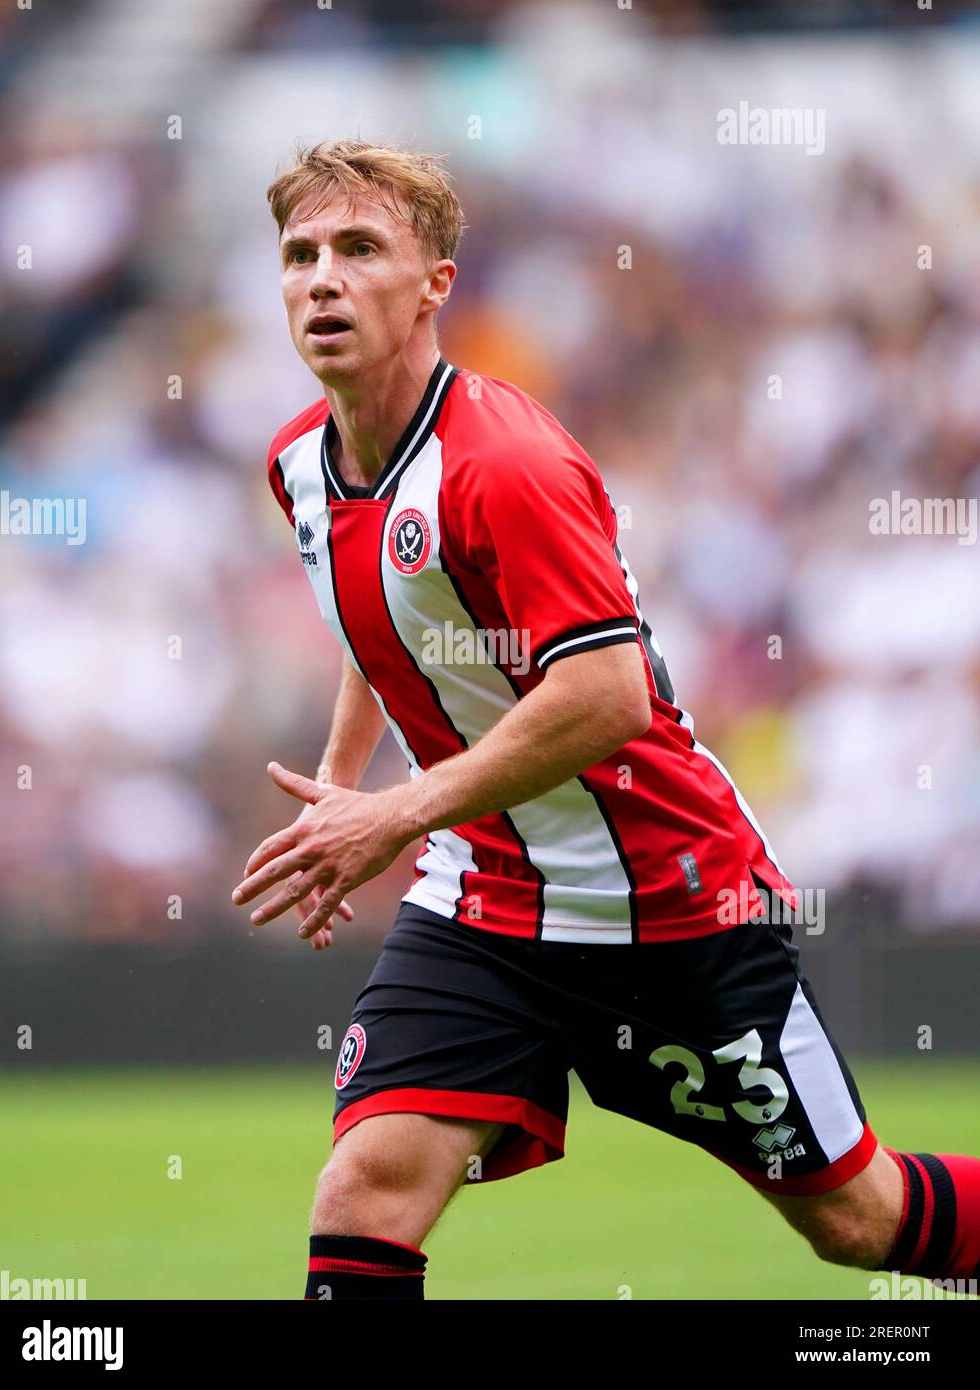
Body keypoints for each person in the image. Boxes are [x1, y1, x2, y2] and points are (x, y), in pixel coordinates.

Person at [232, 139, 980, 1300]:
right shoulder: (300, 465)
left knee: (858, 1219)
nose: (322, 278)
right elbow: (383, 614)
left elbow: (606, 695)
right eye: (300, 254)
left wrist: (393, 813)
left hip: (667, 900)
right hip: (484, 895)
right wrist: (344, 787)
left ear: (435, 283)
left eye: (360, 249)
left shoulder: (505, 462)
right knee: (367, 1189)